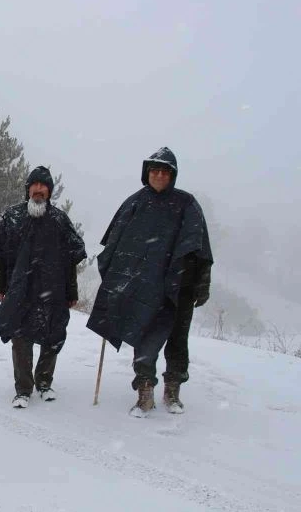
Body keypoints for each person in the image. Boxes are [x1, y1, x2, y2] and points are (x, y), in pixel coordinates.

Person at [87, 147, 212, 417]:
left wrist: (202, 282)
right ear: (147, 173)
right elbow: (115, 244)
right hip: (144, 287)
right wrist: (114, 276)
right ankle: (145, 391)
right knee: (145, 338)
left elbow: (201, 248)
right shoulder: (135, 202)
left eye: (164, 171)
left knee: (177, 341)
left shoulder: (186, 204)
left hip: (181, 287)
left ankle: (172, 389)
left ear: (172, 175)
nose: (158, 175)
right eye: (154, 170)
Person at [0, 166, 87, 408]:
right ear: (28, 189)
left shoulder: (60, 220)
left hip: (54, 290)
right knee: (20, 339)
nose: (38, 189)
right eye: (35, 185)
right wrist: (1, 287)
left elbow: (71, 259)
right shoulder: (10, 218)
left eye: (43, 186)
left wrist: (72, 291)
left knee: (52, 336)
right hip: (20, 290)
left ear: (49, 191)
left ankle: (44, 383)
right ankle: (23, 389)